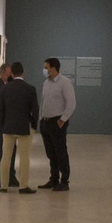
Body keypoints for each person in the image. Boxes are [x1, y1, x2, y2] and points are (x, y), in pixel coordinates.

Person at [0, 62, 39, 194]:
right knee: (24, 157)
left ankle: (3, 186)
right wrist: (33, 125)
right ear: (23, 72)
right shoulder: (30, 89)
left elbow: (0, 110)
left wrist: (3, 124)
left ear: (12, 73)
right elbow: (35, 110)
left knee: (6, 156)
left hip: (8, 128)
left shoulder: (5, 89)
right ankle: (23, 186)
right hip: (24, 128)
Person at [39, 57, 76, 190]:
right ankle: (53, 179)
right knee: (51, 153)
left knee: (60, 152)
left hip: (57, 122)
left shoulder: (64, 83)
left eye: (46, 67)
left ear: (54, 68)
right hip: (45, 122)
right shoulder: (46, 83)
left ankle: (64, 181)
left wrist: (63, 119)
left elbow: (71, 103)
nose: (44, 70)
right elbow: (44, 102)